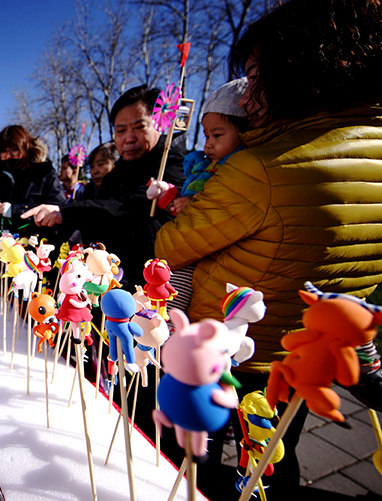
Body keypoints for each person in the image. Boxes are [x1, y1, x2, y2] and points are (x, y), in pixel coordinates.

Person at [155, 0, 382, 495]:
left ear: (303, 65)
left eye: (256, 71)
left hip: (233, 344)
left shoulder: (262, 167)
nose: (251, 89)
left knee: (195, 448)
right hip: (304, 353)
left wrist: (182, 211)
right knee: (275, 453)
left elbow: (173, 245)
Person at [23, 85, 187, 287]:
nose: (129, 137)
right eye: (121, 130)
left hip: (156, 282)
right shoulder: (116, 175)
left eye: (139, 127)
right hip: (114, 280)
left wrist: (64, 211)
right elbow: (101, 214)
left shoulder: (174, 166)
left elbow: (128, 207)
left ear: (159, 123)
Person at [148, 77, 249, 312]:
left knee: (174, 294)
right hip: (188, 246)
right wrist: (167, 194)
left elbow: (215, 206)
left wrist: (193, 204)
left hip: (205, 256)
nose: (208, 145)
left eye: (217, 135)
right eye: (206, 135)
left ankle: (170, 329)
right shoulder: (202, 168)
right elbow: (183, 202)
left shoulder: (235, 171)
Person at [0, 124, 65, 237]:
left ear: (25, 148)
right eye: (4, 151)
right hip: (4, 243)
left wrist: (15, 210)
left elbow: (57, 207)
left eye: (14, 150)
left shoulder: (44, 172)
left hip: (39, 242)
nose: (8, 156)